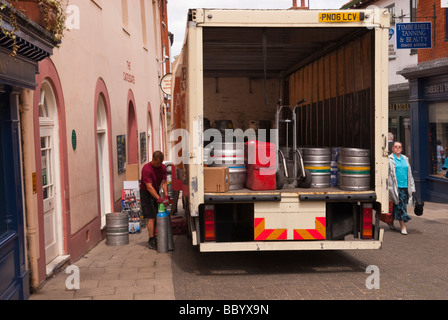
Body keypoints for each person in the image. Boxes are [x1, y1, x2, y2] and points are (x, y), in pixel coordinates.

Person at [140, 151, 169, 249]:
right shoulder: (146, 169)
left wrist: (166, 195)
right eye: (157, 163)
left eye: (161, 163)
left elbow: (164, 182)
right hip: (146, 193)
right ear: (153, 159)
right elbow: (149, 187)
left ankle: (156, 236)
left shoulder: (163, 168)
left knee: (157, 215)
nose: (159, 165)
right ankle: (151, 239)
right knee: (151, 216)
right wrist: (159, 198)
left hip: (155, 191)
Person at [388, 141, 416, 235]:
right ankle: (403, 225)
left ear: (402, 149)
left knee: (398, 205)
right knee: (400, 205)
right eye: (395, 146)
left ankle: (390, 221)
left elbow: (410, 174)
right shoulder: (389, 159)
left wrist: (412, 187)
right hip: (395, 187)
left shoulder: (405, 158)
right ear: (392, 148)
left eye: (399, 147)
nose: (397, 148)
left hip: (405, 186)